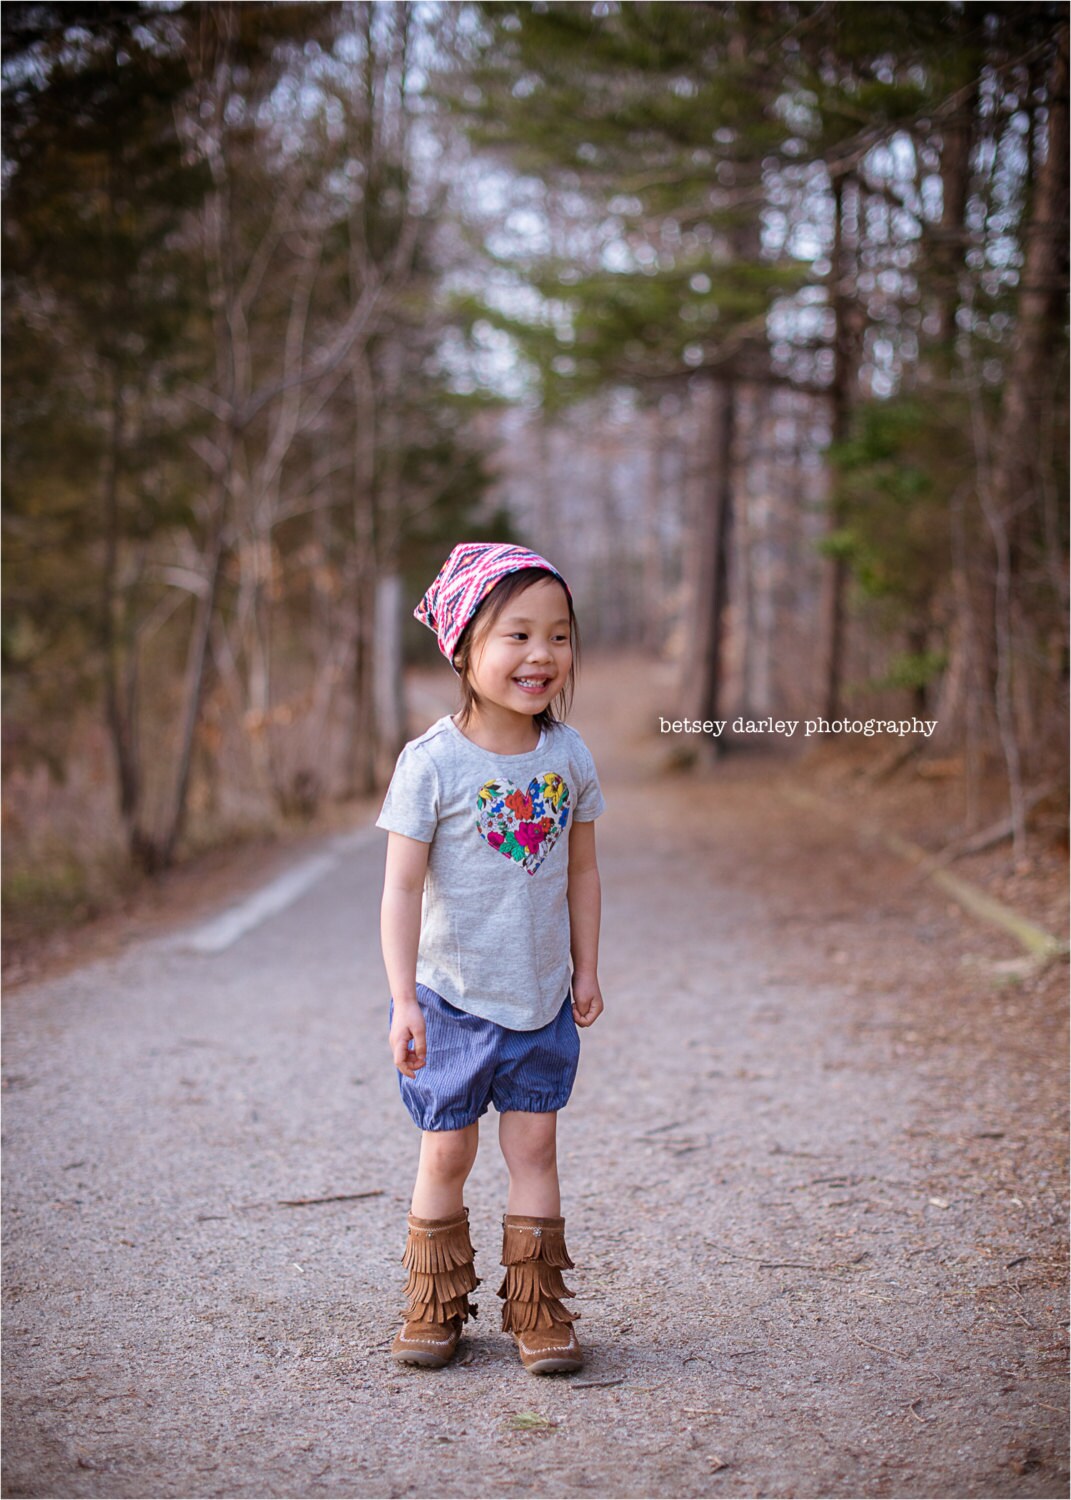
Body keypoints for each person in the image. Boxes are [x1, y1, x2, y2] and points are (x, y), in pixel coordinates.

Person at [376, 541, 606, 1376]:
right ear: (463, 646)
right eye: (516, 635)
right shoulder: (431, 764)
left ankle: (538, 1312)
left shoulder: (569, 757)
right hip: (450, 999)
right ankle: (434, 1305)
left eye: (557, 635)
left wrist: (584, 968)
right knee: (446, 1150)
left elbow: (582, 872)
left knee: (535, 1150)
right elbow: (400, 892)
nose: (540, 655)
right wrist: (403, 1000)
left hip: (540, 998)